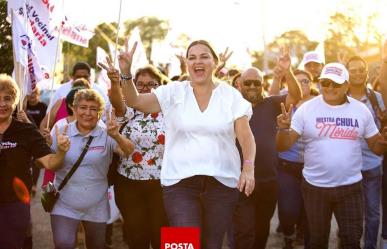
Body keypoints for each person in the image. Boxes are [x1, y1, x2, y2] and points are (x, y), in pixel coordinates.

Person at [117, 39, 256, 249]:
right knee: (184, 244)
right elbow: (135, 101)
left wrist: (248, 168)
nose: (197, 61)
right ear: (187, 63)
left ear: (215, 63)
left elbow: (246, 136)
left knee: (212, 244)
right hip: (179, 184)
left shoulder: (231, 96)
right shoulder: (173, 92)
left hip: (222, 184)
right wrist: (126, 73)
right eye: (192, 57)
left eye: (204, 56)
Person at [276, 63, 387, 249]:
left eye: (335, 84)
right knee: (317, 242)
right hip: (315, 188)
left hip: (351, 188)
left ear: (346, 85)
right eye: (325, 82)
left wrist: (383, 142)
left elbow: (376, 148)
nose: (329, 88)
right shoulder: (306, 109)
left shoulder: (361, 110)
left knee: (351, 241)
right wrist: (282, 129)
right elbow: (283, 145)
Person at [232, 47, 302, 249]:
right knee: (245, 231)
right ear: (239, 84)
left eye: (257, 83)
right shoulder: (231, 106)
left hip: (268, 180)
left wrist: (287, 70)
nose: (253, 86)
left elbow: (295, 96)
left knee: (262, 230)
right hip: (240, 180)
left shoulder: (271, 104)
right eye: (248, 83)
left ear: (262, 85)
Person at [49, 89, 134, 249]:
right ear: (74, 109)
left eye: (93, 108)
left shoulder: (107, 133)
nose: (87, 113)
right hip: (64, 203)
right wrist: (59, 150)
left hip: (96, 205)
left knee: (97, 245)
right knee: (63, 244)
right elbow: (48, 163)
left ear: (99, 112)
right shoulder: (61, 131)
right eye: (83, 107)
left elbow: (128, 151)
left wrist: (116, 135)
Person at [100, 60, 169, 249]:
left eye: (151, 84)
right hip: (129, 185)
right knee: (137, 238)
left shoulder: (171, 111)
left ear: (160, 86)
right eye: (140, 84)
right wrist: (116, 81)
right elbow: (116, 100)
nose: (146, 88)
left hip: (163, 185)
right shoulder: (127, 110)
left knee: (162, 238)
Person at [0, 74, 69, 249]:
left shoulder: (26, 131)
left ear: (15, 102)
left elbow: (51, 163)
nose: (2, 104)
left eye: (7, 99)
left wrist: (61, 150)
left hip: (14, 204)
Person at [346, 55, 385, 249]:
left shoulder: (375, 98)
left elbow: (383, 122)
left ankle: (369, 246)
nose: (358, 73)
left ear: (367, 73)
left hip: (372, 164)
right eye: (353, 70)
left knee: (372, 212)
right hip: (347, 167)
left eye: (361, 69)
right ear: (347, 74)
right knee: (349, 214)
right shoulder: (338, 98)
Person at [275, 69, 317, 249]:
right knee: (287, 209)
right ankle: (288, 235)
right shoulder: (283, 104)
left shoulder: (320, 106)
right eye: (298, 81)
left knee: (309, 212)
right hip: (287, 166)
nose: (302, 84)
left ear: (312, 84)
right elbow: (270, 95)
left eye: (306, 81)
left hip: (313, 167)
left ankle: (302, 235)